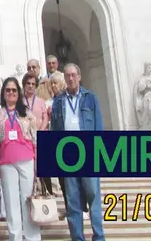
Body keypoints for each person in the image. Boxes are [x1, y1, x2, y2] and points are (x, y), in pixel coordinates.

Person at [50, 63, 105, 241]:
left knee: (93, 196)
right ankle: (77, 237)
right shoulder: (58, 102)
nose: (71, 78)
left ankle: (98, 236)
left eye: (74, 75)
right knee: (72, 200)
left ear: (79, 77)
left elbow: (98, 127)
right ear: (64, 78)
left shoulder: (90, 98)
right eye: (67, 76)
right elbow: (55, 130)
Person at [0, 77, 40, 241]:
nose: (11, 93)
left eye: (14, 90)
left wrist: (38, 162)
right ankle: (15, 237)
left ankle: (32, 237)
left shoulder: (27, 113)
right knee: (11, 203)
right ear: (3, 93)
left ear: (18, 93)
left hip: (27, 159)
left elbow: (35, 138)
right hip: (6, 162)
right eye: (8, 90)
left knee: (27, 201)